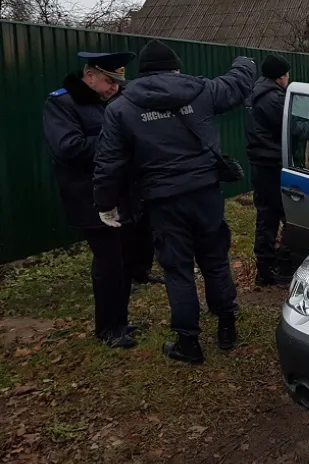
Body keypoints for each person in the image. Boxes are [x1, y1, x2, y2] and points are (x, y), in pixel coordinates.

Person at [93, 39, 256, 364]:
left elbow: (109, 162)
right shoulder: (203, 91)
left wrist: (105, 203)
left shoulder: (121, 109)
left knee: (177, 269)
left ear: (143, 72)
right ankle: (227, 327)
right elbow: (238, 84)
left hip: (163, 202)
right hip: (205, 194)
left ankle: (189, 344)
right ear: (176, 68)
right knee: (215, 260)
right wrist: (245, 62)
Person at [42, 51, 139, 349]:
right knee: (108, 262)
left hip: (119, 194)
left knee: (124, 260)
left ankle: (120, 320)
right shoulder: (61, 103)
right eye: (110, 81)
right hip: (89, 198)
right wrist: (115, 141)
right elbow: (68, 148)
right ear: (90, 76)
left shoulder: (108, 102)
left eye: (118, 81)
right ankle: (107, 327)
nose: (115, 87)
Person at [244, 55, 309, 286]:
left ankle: (271, 264)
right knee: (281, 215)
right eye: (287, 74)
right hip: (272, 165)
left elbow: (286, 121)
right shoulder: (272, 99)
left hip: (264, 163)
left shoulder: (262, 94)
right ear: (280, 77)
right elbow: (292, 128)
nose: (289, 78)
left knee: (269, 215)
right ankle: (274, 268)